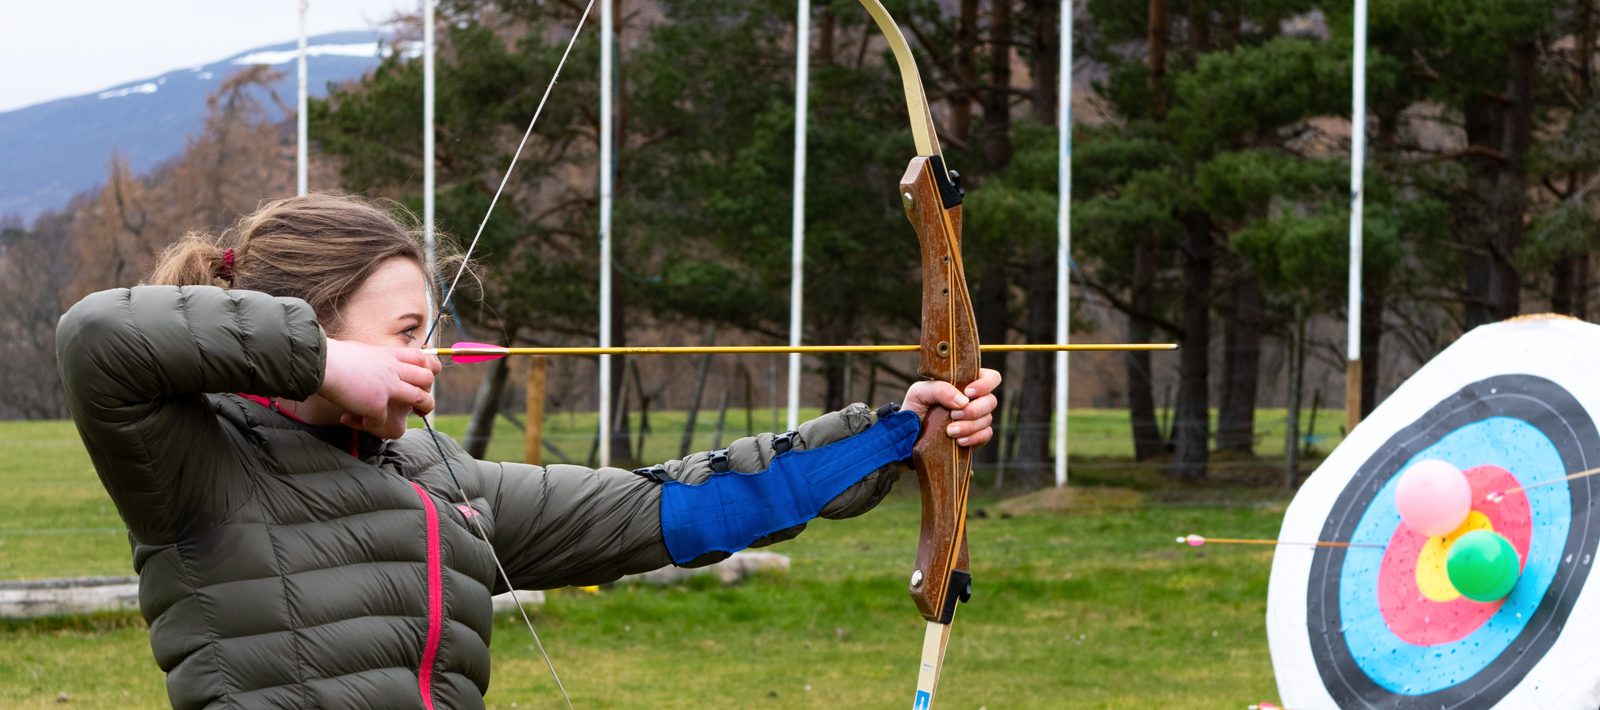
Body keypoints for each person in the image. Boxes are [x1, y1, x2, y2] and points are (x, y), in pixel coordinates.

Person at [55, 193, 1001, 710]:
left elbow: (677, 507)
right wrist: (327, 363)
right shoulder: (202, 462)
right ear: (312, 329)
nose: (428, 357)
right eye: (405, 331)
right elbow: (99, 336)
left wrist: (897, 436)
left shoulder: (446, 485)